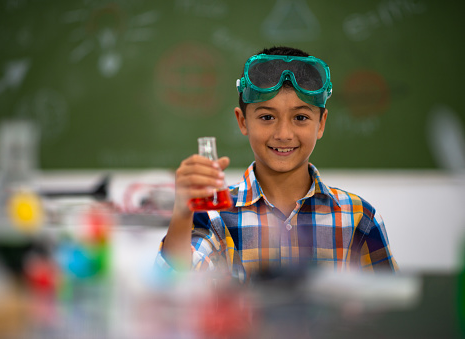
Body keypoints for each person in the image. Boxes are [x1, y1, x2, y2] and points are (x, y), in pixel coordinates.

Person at [156, 46, 398, 284]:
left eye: (300, 117)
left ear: (321, 123)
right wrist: (182, 211)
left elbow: (391, 307)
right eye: (267, 117)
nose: (283, 134)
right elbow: (172, 286)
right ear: (242, 121)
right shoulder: (214, 216)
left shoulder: (358, 218)